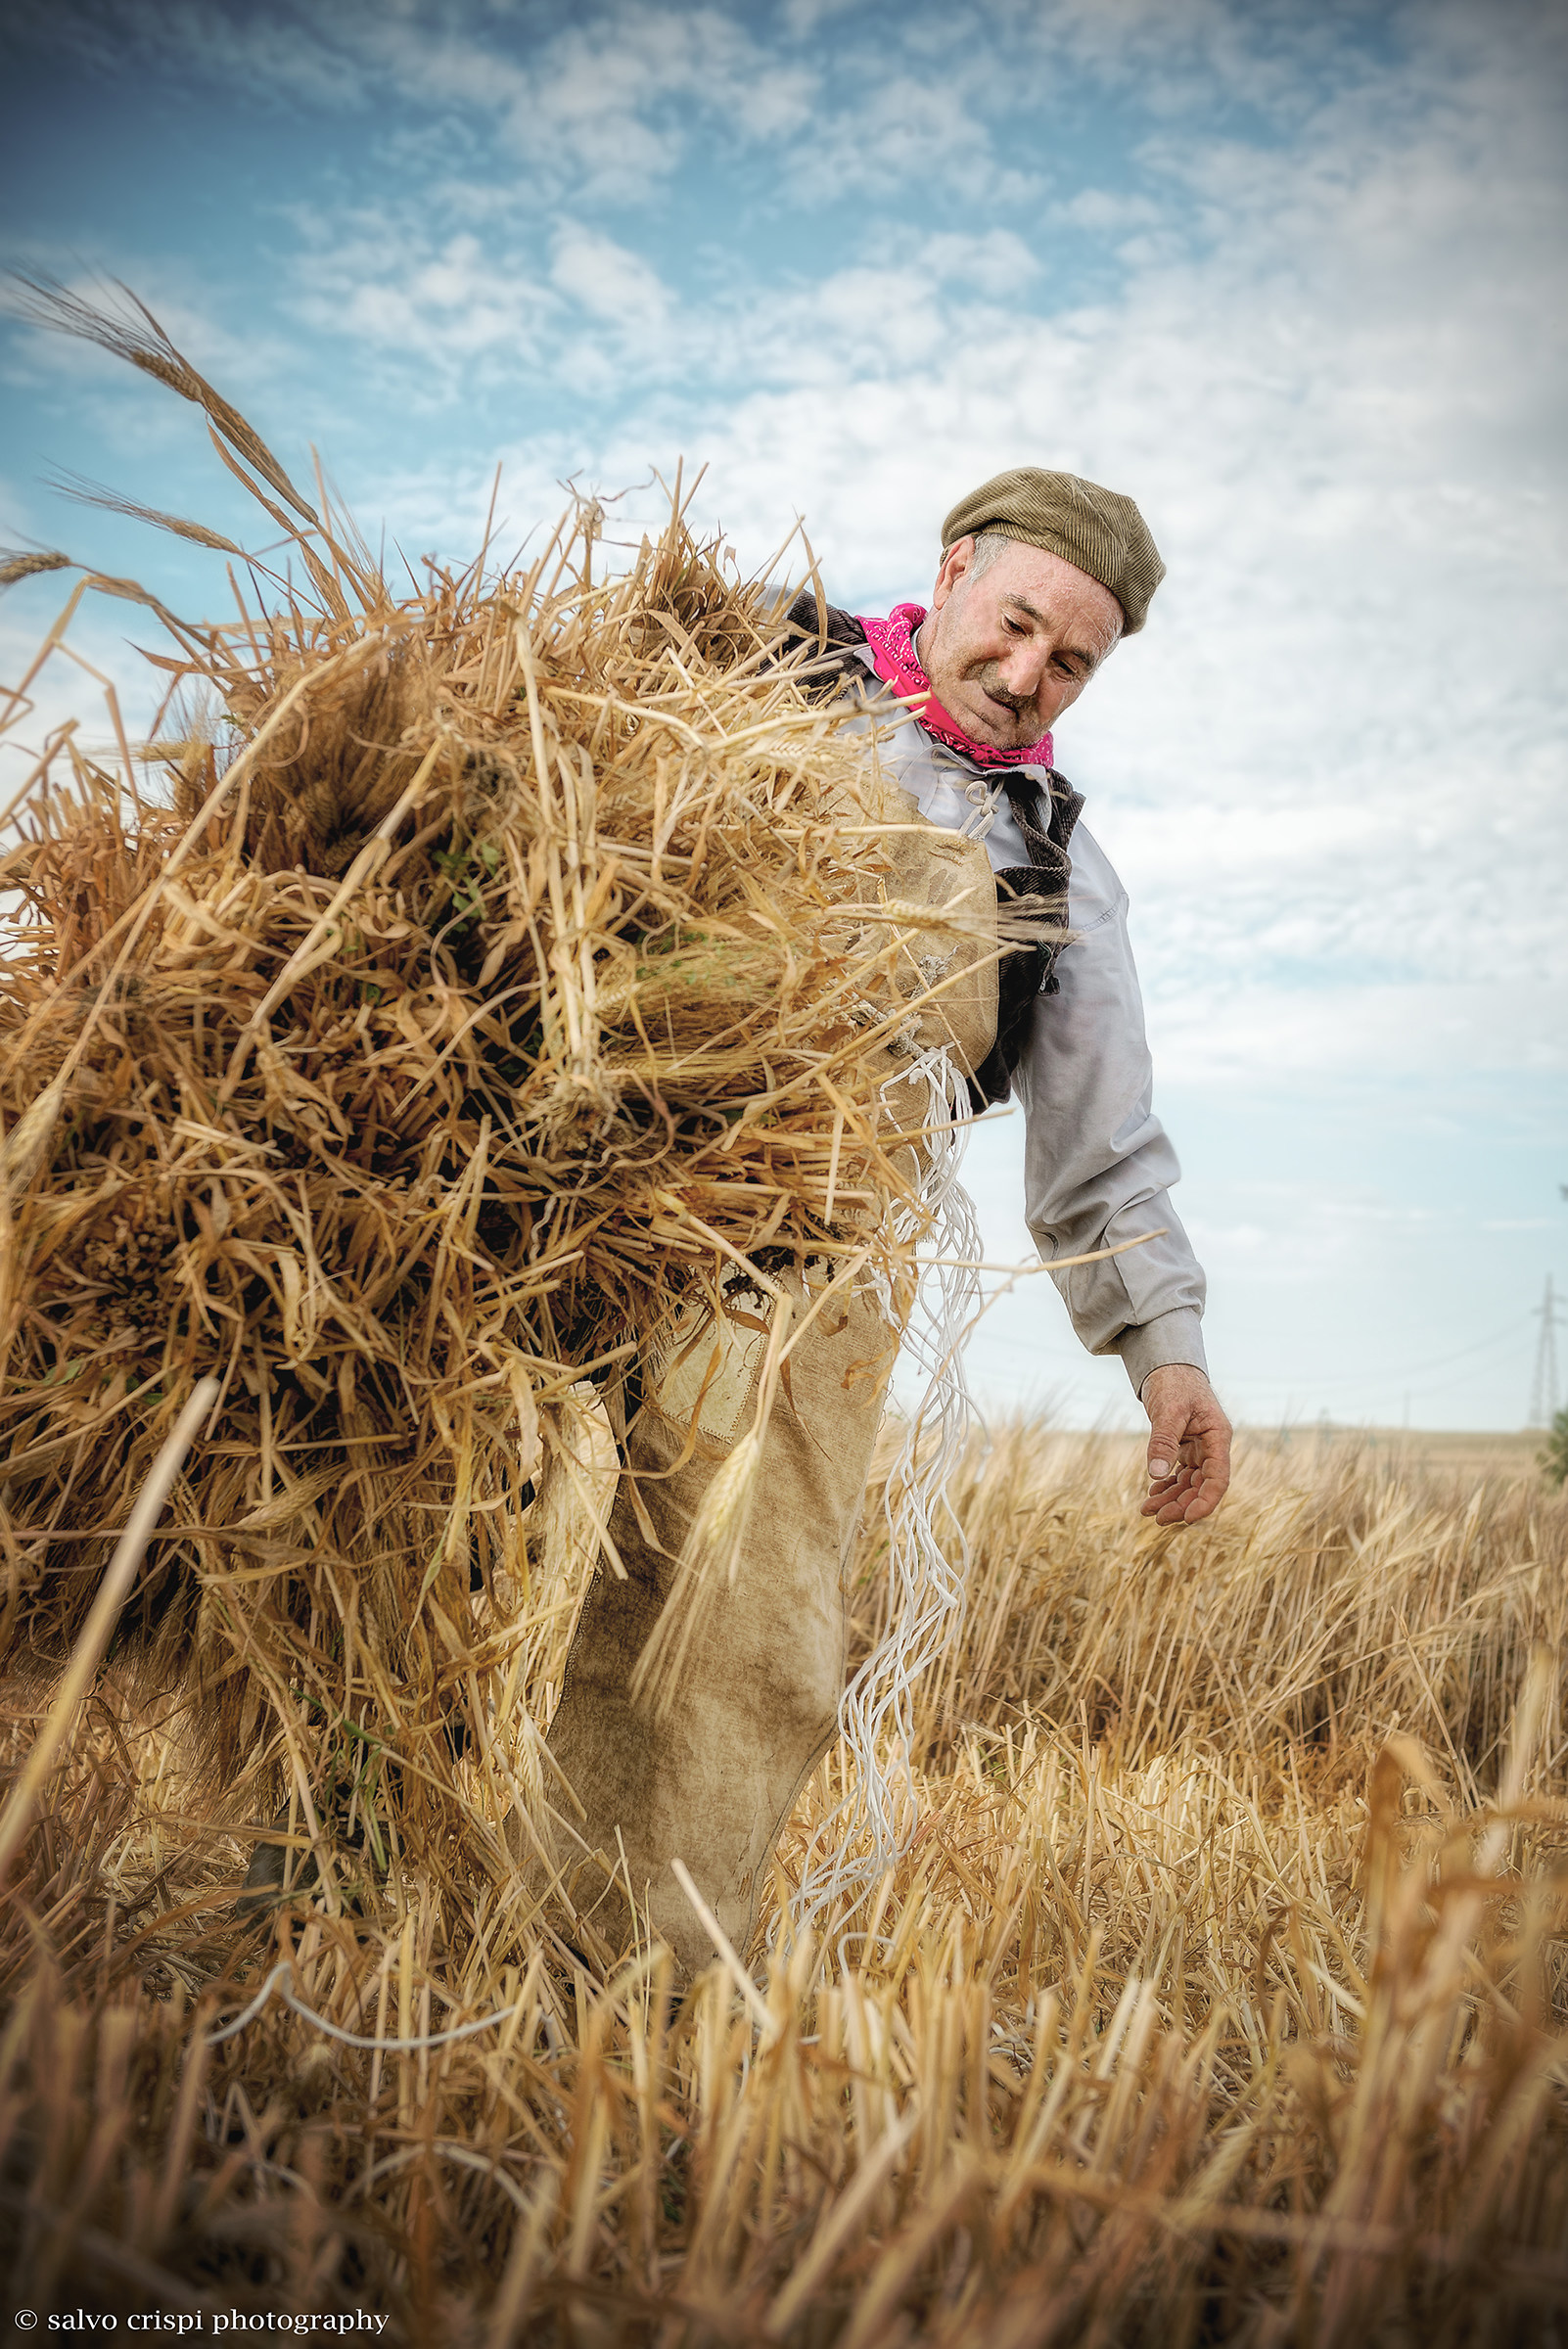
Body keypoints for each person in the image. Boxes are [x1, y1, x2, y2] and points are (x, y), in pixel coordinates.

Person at [535, 468, 1231, 1974]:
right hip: (572, 1200)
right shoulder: (749, 673)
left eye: (1072, 663)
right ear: (956, 566)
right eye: (1017, 622)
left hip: (816, 1279)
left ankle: (642, 1982)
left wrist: (1163, 1351)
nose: (1025, 672)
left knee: (749, 1632)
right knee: (488, 1565)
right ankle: (389, 1904)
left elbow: (1101, 1141)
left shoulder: (1054, 867)